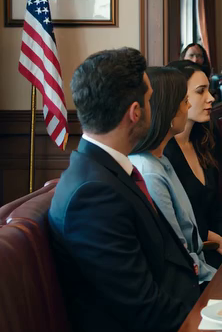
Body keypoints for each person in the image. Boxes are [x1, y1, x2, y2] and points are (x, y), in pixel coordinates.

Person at [48, 48, 199, 332]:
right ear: (135, 112)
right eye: (150, 100)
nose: (154, 107)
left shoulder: (105, 171)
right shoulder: (92, 196)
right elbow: (144, 308)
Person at [129, 67, 216, 283]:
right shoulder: (150, 171)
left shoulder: (161, 160)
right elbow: (179, 251)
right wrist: (219, 279)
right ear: (167, 111)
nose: (188, 106)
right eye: (184, 101)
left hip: (200, 271)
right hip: (189, 285)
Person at [165, 60, 222, 269]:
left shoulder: (204, 139)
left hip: (216, 248)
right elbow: (176, 218)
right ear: (178, 97)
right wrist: (217, 240)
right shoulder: (164, 151)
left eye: (209, 90)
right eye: (200, 91)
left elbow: (216, 202)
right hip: (189, 255)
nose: (211, 97)